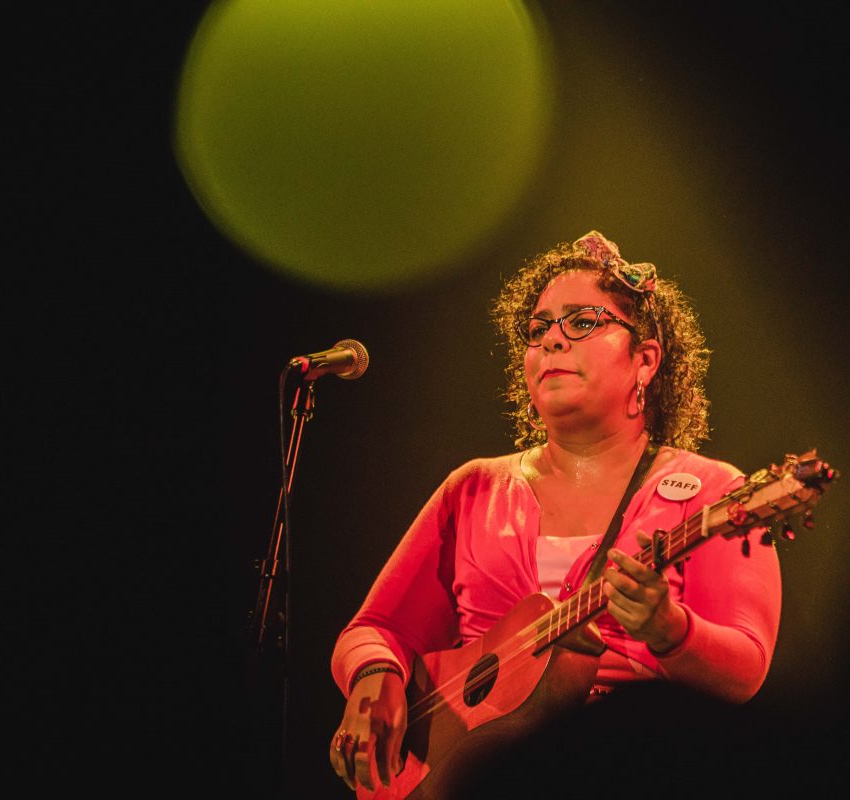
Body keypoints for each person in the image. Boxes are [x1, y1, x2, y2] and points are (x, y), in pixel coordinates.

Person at [328, 231, 782, 794]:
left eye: (582, 322)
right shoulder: (474, 489)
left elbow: (746, 669)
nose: (553, 340)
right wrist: (374, 676)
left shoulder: (713, 492)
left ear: (644, 360)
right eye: (538, 329)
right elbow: (377, 629)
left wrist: (670, 629)